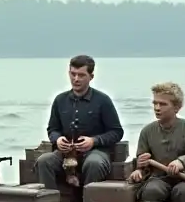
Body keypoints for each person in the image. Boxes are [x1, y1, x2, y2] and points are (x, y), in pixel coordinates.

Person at [36, 54, 124, 192]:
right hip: (65, 154)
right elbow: (52, 129)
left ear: (91, 77)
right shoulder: (60, 100)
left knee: (94, 163)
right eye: (73, 74)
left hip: (96, 152)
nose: (76, 79)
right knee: (44, 161)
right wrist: (57, 139)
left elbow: (117, 132)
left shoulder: (103, 100)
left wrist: (93, 141)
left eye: (81, 75)